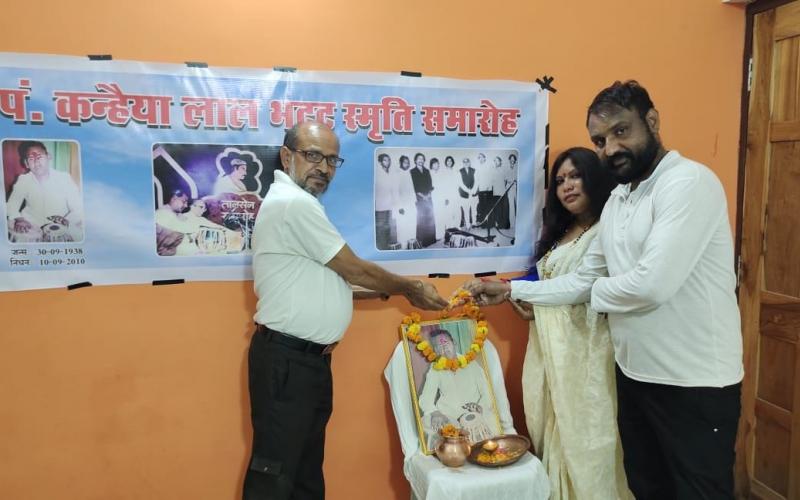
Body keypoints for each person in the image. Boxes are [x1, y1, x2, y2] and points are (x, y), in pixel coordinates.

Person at [463, 81, 743, 499]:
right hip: (635, 375)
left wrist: (594, 296)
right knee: (646, 487)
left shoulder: (687, 184)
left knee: (697, 492)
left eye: (621, 131)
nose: (610, 148)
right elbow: (581, 279)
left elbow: (651, 286)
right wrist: (512, 291)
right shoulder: (619, 202)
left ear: (652, 121)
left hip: (695, 381)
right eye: (600, 140)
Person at [244, 121, 447, 500]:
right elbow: (353, 268)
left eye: (332, 160)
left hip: (305, 364)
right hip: (288, 363)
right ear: (287, 156)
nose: (323, 167)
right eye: (313, 155)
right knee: (275, 474)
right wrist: (410, 288)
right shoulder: (293, 204)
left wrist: (388, 294)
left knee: (303, 471)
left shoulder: (298, 206)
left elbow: (338, 280)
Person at [509, 147, 628, 499]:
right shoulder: (561, 232)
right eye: (560, 180)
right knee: (551, 430)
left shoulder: (609, 228)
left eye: (575, 176)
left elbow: (584, 287)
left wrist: (511, 291)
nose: (567, 186)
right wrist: (522, 297)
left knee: (590, 438)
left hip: (588, 353)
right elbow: (544, 282)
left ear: (594, 177)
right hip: (550, 351)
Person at [417, 328, 496, 447]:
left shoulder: (471, 363)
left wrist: (480, 407)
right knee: (425, 422)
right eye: (438, 346)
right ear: (436, 351)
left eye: (446, 343)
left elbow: (487, 392)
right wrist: (435, 413)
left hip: (474, 414)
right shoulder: (435, 368)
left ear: (454, 343)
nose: (443, 348)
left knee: (492, 422)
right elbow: (425, 398)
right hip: (449, 417)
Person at [6, 141, 84, 242]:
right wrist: (20, 220)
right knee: (14, 228)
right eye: (31, 159)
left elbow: (77, 207)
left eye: (39, 157)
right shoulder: (23, 180)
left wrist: (65, 222)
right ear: (26, 163)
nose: (36, 162)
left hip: (61, 222)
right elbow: (12, 205)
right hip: (31, 224)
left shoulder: (64, 178)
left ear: (49, 157)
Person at [410, 152, 436, 247]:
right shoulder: (412, 172)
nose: (420, 160)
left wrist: (429, 194)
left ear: (424, 161)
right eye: (419, 159)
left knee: (430, 218)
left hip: (429, 198)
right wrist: (422, 196)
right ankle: (422, 241)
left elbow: (430, 184)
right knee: (421, 220)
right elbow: (414, 186)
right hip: (419, 199)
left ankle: (431, 240)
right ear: (415, 160)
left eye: (422, 159)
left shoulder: (427, 171)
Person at [374, 153, 398, 249]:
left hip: (389, 204)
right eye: (385, 160)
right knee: (380, 227)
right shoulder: (377, 173)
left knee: (387, 226)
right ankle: (381, 246)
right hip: (380, 206)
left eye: (389, 160)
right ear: (380, 162)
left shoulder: (389, 173)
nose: (388, 162)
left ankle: (386, 245)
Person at [395, 155, 417, 249]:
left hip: (411, 203)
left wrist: (415, 201)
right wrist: (399, 206)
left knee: (411, 223)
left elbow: (412, 188)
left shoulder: (409, 173)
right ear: (401, 163)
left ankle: (411, 244)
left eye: (408, 162)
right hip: (402, 205)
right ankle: (403, 245)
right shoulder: (397, 174)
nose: (407, 164)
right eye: (405, 162)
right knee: (402, 225)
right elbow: (395, 191)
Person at [457, 157, 477, 229]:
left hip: (474, 193)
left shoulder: (474, 170)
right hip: (464, 194)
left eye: (467, 162)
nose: (466, 163)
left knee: (474, 209)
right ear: (463, 163)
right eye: (464, 162)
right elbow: (460, 184)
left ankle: (474, 223)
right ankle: (468, 224)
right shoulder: (460, 171)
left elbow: (477, 181)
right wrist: (469, 191)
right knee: (466, 209)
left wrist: (473, 190)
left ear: (469, 163)